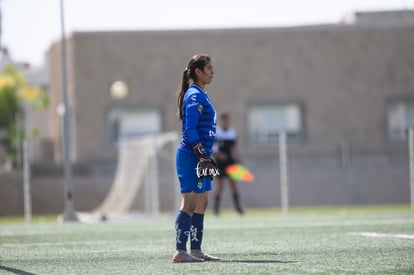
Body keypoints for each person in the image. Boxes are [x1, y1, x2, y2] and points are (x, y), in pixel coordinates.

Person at [172, 54, 220, 263]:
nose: (212, 71)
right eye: (208, 68)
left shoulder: (202, 94)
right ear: (198, 72)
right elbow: (190, 129)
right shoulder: (194, 95)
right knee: (189, 202)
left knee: (202, 201)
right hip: (191, 156)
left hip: (201, 157)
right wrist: (201, 154)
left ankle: (196, 250)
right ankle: (180, 252)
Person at [213, 113, 244, 216]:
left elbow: (234, 148)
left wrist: (239, 159)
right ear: (221, 121)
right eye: (224, 121)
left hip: (230, 162)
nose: (226, 123)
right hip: (220, 163)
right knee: (220, 186)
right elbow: (213, 148)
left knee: (233, 185)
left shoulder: (232, 133)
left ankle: (238, 208)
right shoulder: (216, 133)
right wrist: (219, 155)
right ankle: (216, 210)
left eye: (227, 121)